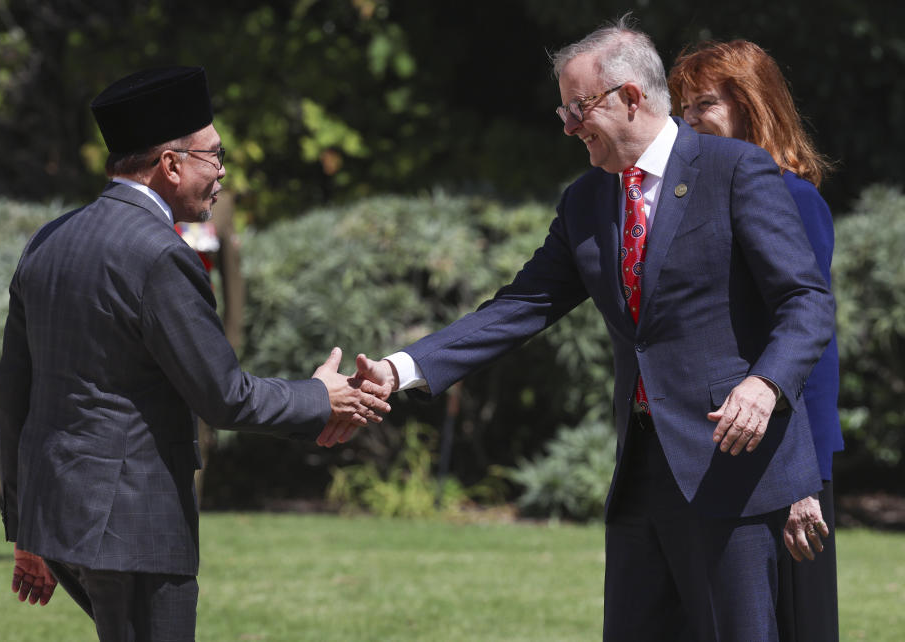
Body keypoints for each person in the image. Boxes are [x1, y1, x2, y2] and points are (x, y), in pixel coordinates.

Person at [332, 17, 835, 641]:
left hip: (729, 470)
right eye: (563, 109)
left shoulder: (734, 171)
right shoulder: (585, 201)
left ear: (630, 98)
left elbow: (806, 301)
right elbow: (519, 307)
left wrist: (765, 384)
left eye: (579, 107)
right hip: (641, 479)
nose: (567, 126)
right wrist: (399, 369)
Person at [0, 65, 390, 641]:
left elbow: (14, 397)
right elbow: (224, 397)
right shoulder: (159, 254)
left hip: (65, 529)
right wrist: (319, 397)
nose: (223, 173)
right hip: (134, 529)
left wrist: (26, 528)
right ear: (171, 163)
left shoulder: (51, 239)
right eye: (214, 157)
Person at [668, 39, 843, 642]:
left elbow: (812, 342)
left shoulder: (792, 196)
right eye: (683, 109)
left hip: (792, 465)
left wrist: (808, 484)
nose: (690, 121)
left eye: (705, 104)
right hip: (735, 455)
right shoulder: (702, 197)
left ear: (752, 103)